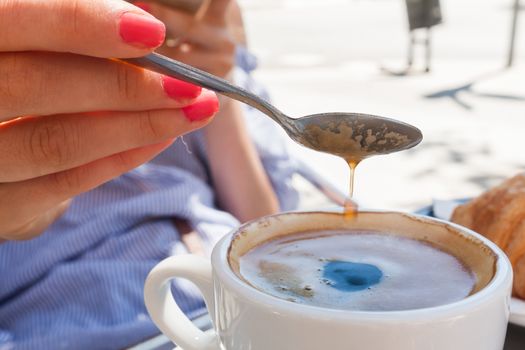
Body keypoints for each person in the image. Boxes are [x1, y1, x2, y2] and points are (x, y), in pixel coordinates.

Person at [0, 0, 300, 349]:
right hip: (68, 321)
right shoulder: (20, 50)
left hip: (229, 303)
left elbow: (268, 233)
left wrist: (220, 87)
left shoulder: (213, 46)